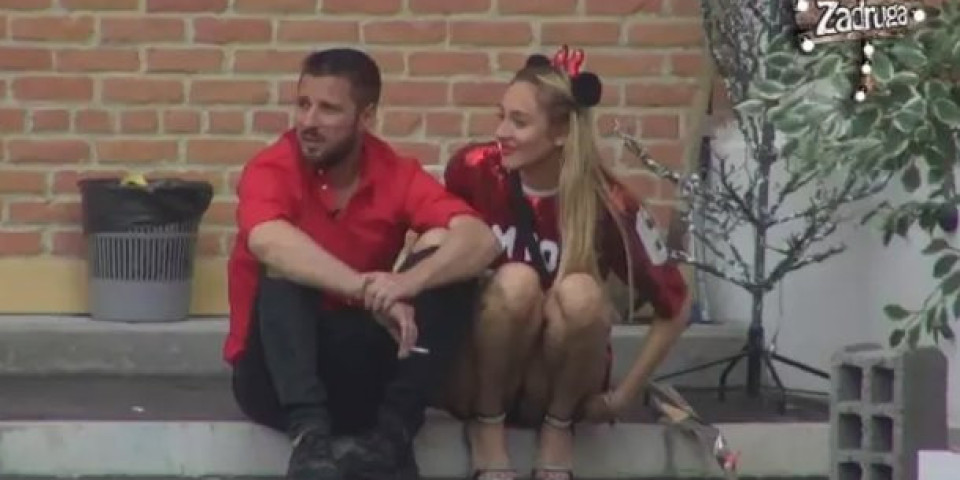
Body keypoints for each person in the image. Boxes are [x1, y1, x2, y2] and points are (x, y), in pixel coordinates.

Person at [224, 48, 501, 480]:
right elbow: (267, 240)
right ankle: (308, 439)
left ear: (366, 116)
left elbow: (480, 240)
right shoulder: (271, 167)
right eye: (303, 104)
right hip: (274, 378)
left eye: (328, 109)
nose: (308, 121)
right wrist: (365, 288)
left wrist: (408, 283)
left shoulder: (394, 172)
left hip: (358, 374)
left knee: (448, 255)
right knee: (285, 259)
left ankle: (392, 435)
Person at [434, 46, 691, 480]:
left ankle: (559, 427)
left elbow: (676, 306)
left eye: (519, 122)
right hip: (480, 373)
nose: (501, 132)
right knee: (516, 282)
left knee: (582, 293)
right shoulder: (473, 169)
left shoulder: (609, 201)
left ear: (559, 133)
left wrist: (622, 398)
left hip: (551, 381)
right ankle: (488, 427)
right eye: (501, 117)